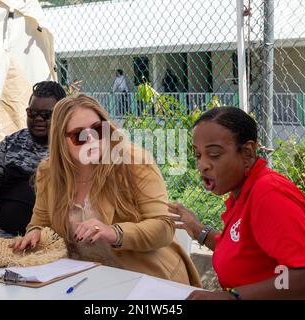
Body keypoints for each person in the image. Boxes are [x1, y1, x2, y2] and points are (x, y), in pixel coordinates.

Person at [10, 94, 202, 287]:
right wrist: (35, 233)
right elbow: (40, 222)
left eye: (97, 129)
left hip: (147, 279)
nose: (91, 139)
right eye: (79, 135)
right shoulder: (49, 172)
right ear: (61, 140)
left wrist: (113, 233)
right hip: (85, 280)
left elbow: (164, 227)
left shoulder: (133, 163)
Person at [168, 106, 305, 300]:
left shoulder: (270, 194)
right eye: (198, 155)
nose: (202, 164)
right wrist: (197, 230)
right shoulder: (242, 193)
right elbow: (243, 255)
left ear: (247, 153)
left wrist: (231, 297)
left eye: (214, 155)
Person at [0, 81, 66, 238]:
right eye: (32, 113)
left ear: (62, 114)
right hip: (7, 237)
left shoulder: (73, 146)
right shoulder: (10, 144)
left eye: (46, 115)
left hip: (54, 241)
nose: (38, 119)